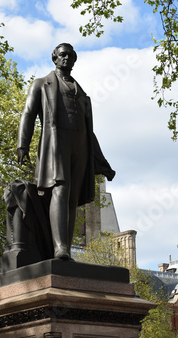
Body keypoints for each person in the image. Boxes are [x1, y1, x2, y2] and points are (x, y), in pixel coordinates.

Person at [17, 43, 115, 260]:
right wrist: (22, 145)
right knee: (60, 189)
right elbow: (28, 114)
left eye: (70, 55)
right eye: (62, 55)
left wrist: (102, 162)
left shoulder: (82, 94)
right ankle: (60, 248)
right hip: (56, 143)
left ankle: (66, 250)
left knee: (72, 199)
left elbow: (90, 132)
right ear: (55, 58)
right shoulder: (42, 84)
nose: (66, 58)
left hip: (80, 145)